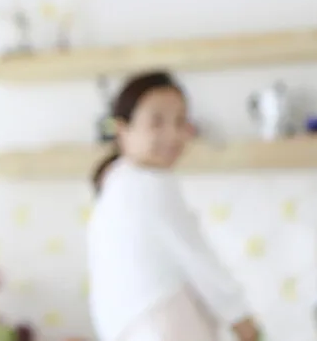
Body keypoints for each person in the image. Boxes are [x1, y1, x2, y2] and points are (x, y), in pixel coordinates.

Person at [86, 71, 260, 341]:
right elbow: (197, 259)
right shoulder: (146, 185)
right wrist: (241, 319)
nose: (173, 135)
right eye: (157, 122)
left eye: (180, 121)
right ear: (122, 129)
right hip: (162, 324)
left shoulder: (117, 182)